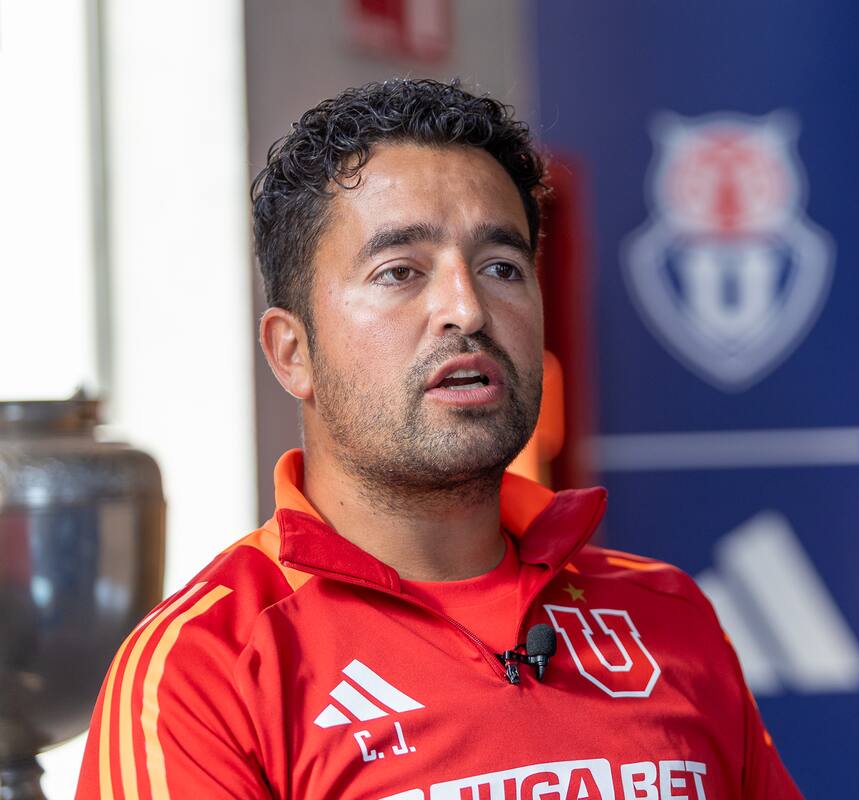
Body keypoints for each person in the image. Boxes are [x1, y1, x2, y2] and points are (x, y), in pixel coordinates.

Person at [75, 79, 804, 800]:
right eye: (400, 272)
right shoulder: (207, 670)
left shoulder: (668, 613)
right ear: (292, 352)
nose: (467, 308)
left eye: (501, 267)